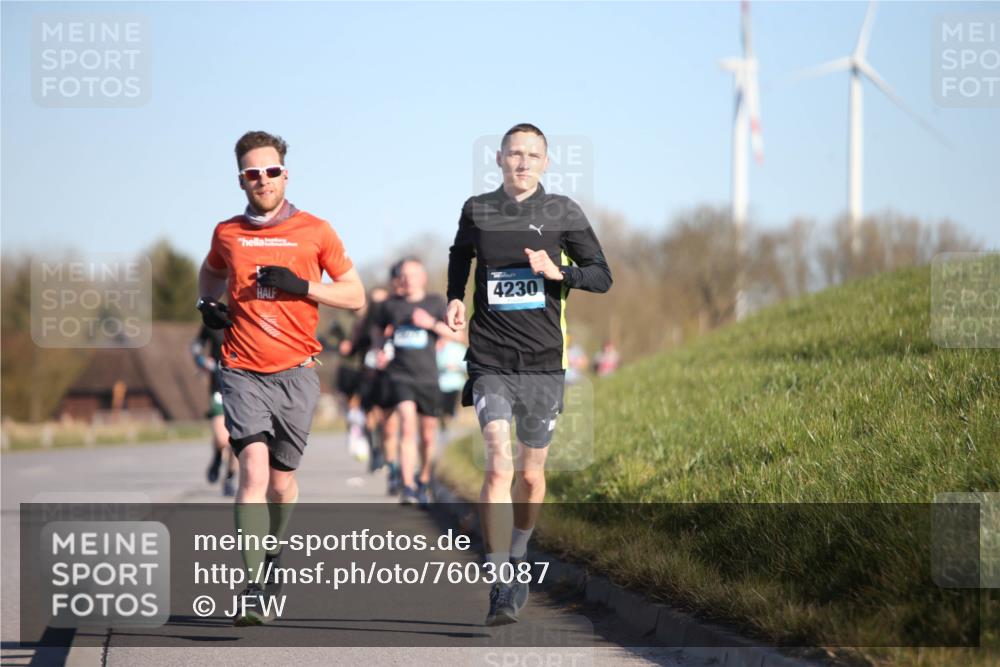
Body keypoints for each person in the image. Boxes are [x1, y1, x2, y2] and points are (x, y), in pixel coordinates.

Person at [446, 123, 612, 625]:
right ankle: (500, 578)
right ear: (499, 158)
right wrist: (454, 297)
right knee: (499, 465)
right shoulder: (477, 209)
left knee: (531, 475)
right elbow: (460, 254)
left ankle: (519, 551)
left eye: (532, 155)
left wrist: (560, 272)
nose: (522, 162)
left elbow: (601, 275)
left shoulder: (562, 212)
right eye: (514, 153)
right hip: (490, 358)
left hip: (543, 361)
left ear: (546, 162)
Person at [197, 130, 365, 626]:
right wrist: (207, 305)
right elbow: (210, 273)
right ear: (241, 180)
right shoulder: (227, 233)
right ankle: (253, 588)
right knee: (252, 470)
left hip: (296, 373)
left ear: (285, 175)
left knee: (281, 483)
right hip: (241, 368)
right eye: (253, 173)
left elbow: (355, 295)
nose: (263, 180)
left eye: (271, 171)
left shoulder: (316, 230)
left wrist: (303, 286)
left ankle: (273, 555)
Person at [375, 257, 464, 506]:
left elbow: (459, 335)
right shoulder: (390, 305)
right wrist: (380, 350)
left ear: (423, 277)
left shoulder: (435, 303)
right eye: (403, 275)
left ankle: (424, 479)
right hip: (400, 375)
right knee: (407, 425)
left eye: (413, 275)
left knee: (427, 434)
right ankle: (408, 486)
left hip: (428, 377)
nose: (408, 280)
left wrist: (431, 324)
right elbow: (378, 332)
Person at [191, 323, 238, 496]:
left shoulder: (248, 320)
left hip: (243, 389)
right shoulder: (214, 320)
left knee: (237, 439)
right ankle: (218, 455)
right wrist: (201, 361)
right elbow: (196, 346)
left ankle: (230, 478)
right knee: (222, 439)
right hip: (218, 389)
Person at [436, 336, 467, 432]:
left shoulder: (459, 348)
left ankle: (446, 429)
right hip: (439, 384)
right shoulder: (437, 346)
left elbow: (466, 365)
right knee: (438, 410)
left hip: (455, 385)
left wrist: (456, 367)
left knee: (450, 411)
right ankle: (442, 427)